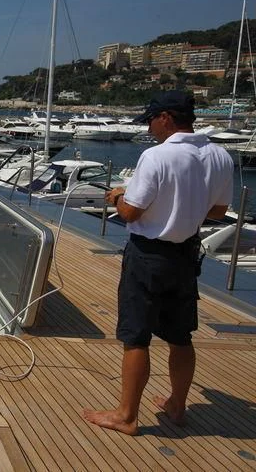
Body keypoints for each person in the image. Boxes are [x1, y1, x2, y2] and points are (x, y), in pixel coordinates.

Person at [82, 91, 234, 435]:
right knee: (180, 335)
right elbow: (218, 211)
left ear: (166, 117)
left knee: (136, 336)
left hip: (148, 256)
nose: (149, 128)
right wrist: (183, 207)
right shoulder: (220, 156)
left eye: (151, 120)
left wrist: (119, 196)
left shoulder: (156, 156)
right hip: (185, 257)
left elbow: (130, 213)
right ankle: (177, 405)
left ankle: (126, 416)